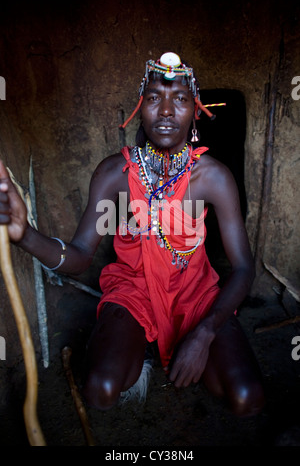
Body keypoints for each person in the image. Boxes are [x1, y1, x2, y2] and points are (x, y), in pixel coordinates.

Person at [0, 52, 265, 417]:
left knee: (246, 396)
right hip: (134, 291)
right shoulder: (115, 173)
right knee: (101, 389)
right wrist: (24, 234)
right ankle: (141, 341)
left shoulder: (214, 178)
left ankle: (176, 341)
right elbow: (78, 254)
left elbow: (243, 269)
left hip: (196, 293)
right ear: (141, 107)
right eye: (155, 98)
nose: (167, 111)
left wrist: (204, 334)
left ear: (196, 110)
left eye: (181, 100)